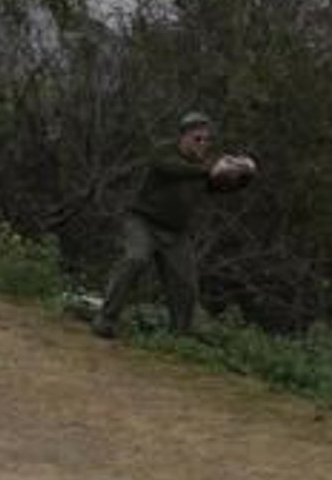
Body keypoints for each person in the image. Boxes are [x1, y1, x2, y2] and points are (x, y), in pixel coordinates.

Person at [91, 111, 254, 339]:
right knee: (135, 259)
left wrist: (244, 173)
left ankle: (179, 337)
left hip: (176, 233)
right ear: (183, 136)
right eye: (198, 138)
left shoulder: (203, 165)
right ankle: (105, 319)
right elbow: (171, 169)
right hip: (142, 222)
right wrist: (210, 169)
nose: (203, 144)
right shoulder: (164, 151)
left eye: (207, 139)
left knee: (186, 285)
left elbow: (222, 187)